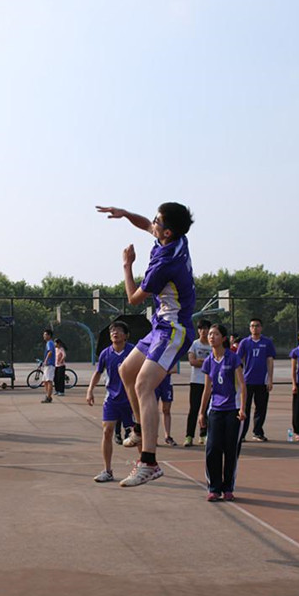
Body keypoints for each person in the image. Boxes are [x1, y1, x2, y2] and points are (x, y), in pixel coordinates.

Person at [97, 202, 195, 487]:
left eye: (157, 221)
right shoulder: (177, 239)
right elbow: (146, 225)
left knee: (143, 384)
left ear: (167, 232)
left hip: (174, 329)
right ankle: (139, 428)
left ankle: (149, 462)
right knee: (127, 370)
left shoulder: (165, 263)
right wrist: (126, 214)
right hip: (159, 326)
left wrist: (127, 265)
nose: (153, 223)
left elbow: (133, 298)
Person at [198, 324, 246, 502]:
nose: (211, 336)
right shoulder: (208, 361)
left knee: (230, 450)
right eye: (210, 334)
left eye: (216, 334)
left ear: (223, 338)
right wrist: (201, 412)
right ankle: (214, 488)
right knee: (212, 449)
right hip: (215, 410)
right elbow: (207, 389)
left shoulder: (233, 358)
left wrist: (243, 408)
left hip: (233, 410)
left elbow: (242, 385)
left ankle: (228, 488)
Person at [86, 321, 135, 482]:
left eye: (119, 330)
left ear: (126, 335)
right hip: (112, 399)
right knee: (107, 431)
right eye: (113, 331)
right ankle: (107, 470)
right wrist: (90, 390)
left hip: (130, 399)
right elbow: (98, 372)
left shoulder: (133, 351)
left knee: (137, 434)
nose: (115, 333)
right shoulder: (105, 353)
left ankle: (144, 466)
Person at [237, 318, 276, 442]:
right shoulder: (244, 342)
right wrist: (238, 379)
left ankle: (258, 432)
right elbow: (238, 361)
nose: (255, 328)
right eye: (252, 326)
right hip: (247, 381)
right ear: (249, 328)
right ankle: (241, 434)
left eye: (257, 325)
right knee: (245, 408)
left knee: (261, 408)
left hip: (262, 381)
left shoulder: (267, 342)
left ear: (261, 327)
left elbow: (270, 360)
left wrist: (270, 379)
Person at [184, 318, 212, 447]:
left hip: (210, 382)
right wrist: (205, 361)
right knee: (194, 409)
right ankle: (189, 436)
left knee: (207, 410)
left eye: (205, 328)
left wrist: (201, 360)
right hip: (196, 381)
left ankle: (203, 434)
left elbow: (215, 362)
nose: (203, 331)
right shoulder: (195, 344)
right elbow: (192, 362)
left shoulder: (212, 345)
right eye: (201, 329)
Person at [157, 373, 177, 446]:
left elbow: (174, 369)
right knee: (153, 411)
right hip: (154, 381)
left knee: (166, 410)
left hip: (166, 381)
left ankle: (167, 436)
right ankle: (153, 436)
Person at [41, 329, 56, 403]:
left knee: (49, 381)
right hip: (48, 365)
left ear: (49, 335)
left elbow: (50, 352)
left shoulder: (49, 343)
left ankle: (48, 397)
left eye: (45, 335)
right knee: (45, 381)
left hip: (49, 364)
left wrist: (46, 361)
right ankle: (48, 395)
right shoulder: (49, 343)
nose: (44, 336)